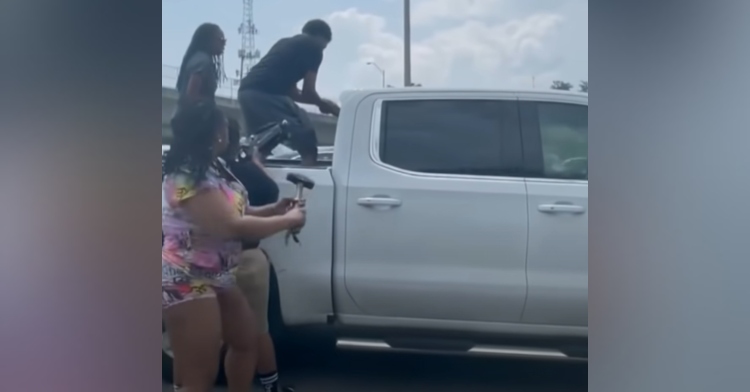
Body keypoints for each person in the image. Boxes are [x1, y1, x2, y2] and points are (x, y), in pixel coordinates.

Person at [162, 102, 305, 392]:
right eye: (224, 125)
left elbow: (239, 213)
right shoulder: (188, 175)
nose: (229, 130)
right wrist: (288, 220)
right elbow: (231, 227)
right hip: (188, 279)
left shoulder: (216, 168)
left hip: (219, 275)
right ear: (213, 132)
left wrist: (274, 210)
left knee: (245, 341)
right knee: (199, 376)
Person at [221, 118, 294, 392]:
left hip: (203, 261)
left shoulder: (200, 174)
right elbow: (259, 200)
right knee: (254, 332)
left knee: (207, 340)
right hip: (247, 258)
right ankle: (270, 386)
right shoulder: (243, 173)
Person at [238, 19, 340, 166]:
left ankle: (254, 175)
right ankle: (307, 176)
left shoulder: (285, 44)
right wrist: (325, 105)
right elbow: (309, 91)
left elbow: (294, 93)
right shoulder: (314, 47)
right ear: (321, 37)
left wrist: (321, 103)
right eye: (325, 45)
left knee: (263, 142)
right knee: (305, 132)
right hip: (265, 94)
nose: (323, 49)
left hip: (246, 93)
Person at [175, 23, 227, 106]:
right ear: (209, 40)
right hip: (192, 117)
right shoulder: (202, 61)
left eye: (225, 40)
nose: (224, 43)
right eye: (221, 39)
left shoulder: (199, 59)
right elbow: (191, 95)